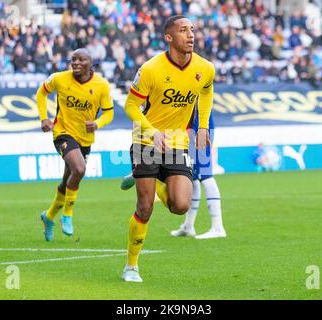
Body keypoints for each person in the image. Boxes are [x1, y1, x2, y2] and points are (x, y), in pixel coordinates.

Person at [122, 15, 215, 282]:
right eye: (183, 30)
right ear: (169, 37)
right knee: (145, 208)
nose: (191, 35)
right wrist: (152, 131)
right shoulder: (151, 69)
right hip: (146, 140)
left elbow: (206, 91)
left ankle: (149, 181)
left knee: (181, 205)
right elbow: (130, 106)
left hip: (177, 142)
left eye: (193, 30)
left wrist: (203, 127)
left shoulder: (205, 68)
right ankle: (131, 266)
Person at [36, 49, 114, 241]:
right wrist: (44, 118)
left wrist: (97, 124)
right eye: (73, 60)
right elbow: (41, 93)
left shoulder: (102, 85)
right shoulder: (59, 79)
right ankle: (67, 214)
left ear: (91, 63)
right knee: (79, 169)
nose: (76, 63)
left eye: (82, 59)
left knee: (67, 181)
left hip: (84, 139)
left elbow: (109, 113)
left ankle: (49, 216)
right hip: (62, 133)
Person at [170, 112, 226, 239]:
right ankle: (188, 226)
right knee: (192, 178)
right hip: (192, 129)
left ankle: (218, 227)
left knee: (206, 176)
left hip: (199, 129)